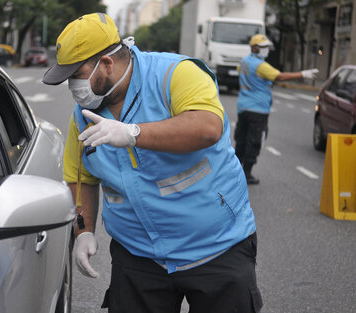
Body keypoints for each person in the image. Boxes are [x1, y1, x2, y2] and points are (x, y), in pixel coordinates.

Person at [43, 13, 262, 313]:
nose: (73, 86)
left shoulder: (175, 74)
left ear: (107, 63)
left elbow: (208, 126)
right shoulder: (83, 116)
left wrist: (133, 133)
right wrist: (85, 231)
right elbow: (80, 178)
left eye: (77, 74)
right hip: (138, 256)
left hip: (217, 248)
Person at [235, 34, 318, 184]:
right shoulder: (261, 65)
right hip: (258, 109)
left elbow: (248, 75)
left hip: (243, 107)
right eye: (263, 47)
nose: (266, 50)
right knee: (254, 141)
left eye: (267, 47)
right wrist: (302, 74)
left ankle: (234, 172)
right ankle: (246, 173)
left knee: (241, 139)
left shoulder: (243, 61)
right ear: (254, 48)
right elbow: (280, 77)